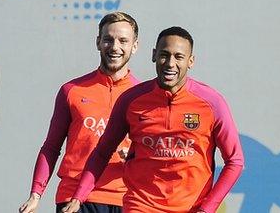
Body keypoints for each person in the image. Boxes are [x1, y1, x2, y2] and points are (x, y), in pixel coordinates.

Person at [62, 26, 245, 213]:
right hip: (141, 205)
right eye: (164, 55)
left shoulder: (212, 103)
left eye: (179, 57)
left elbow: (235, 161)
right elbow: (102, 152)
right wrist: (79, 196)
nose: (170, 63)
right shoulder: (131, 100)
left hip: (191, 208)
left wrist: (207, 209)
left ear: (191, 61)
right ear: (154, 55)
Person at [18, 12, 140, 213]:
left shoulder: (143, 97)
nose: (115, 47)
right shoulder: (72, 90)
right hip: (73, 199)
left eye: (123, 41)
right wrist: (36, 194)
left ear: (134, 46)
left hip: (125, 200)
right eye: (108, 39)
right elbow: (51, 147)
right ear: (98, 42)